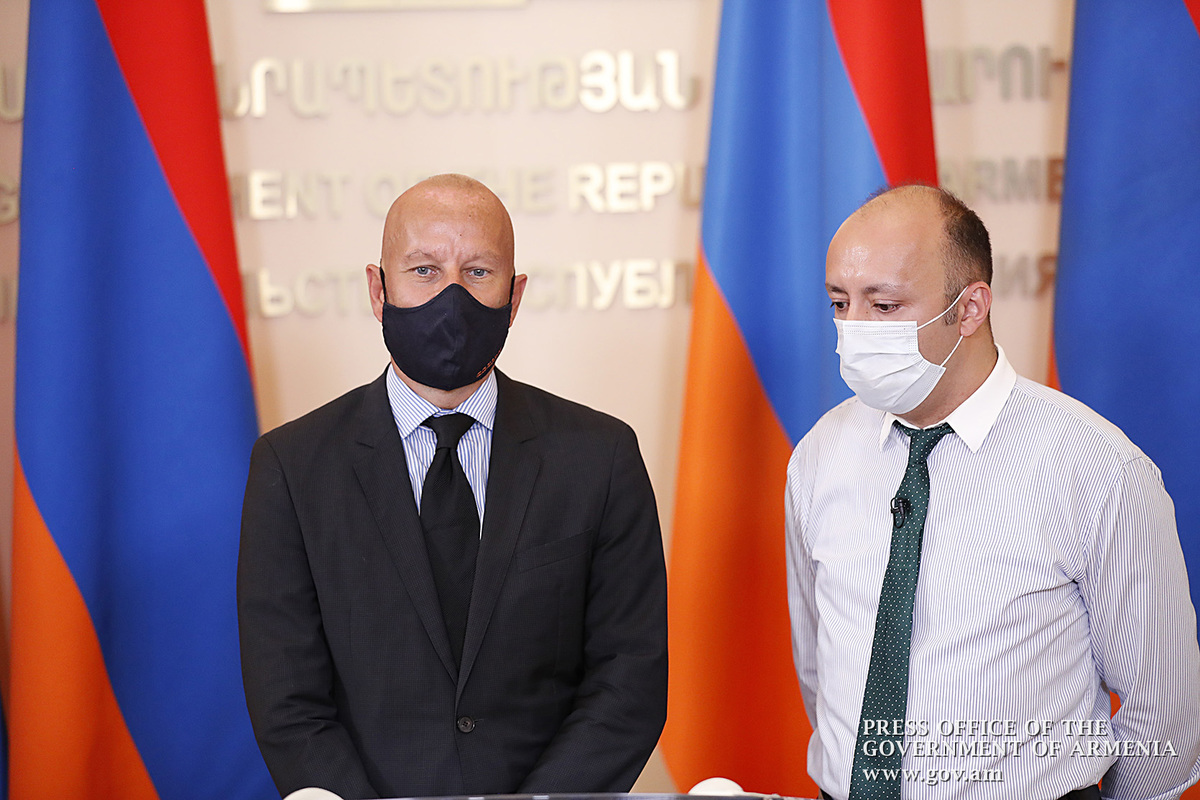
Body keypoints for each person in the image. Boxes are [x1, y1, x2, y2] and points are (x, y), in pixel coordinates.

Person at [238, 174, 668, 799]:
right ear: (378, 290)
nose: (451, 297)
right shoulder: (292, 465)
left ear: (514, 298)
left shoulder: (600, 457)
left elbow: (628, 683)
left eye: (478, 272)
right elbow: (287, 700)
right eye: (423, 270)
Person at [786, 184, 1200, 800]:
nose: (854, 330)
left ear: (970, 308)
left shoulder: (1097, 467)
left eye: (885, 305)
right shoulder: (820, 454)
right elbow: (819, 664)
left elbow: (1166, 714)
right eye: (840, 303)